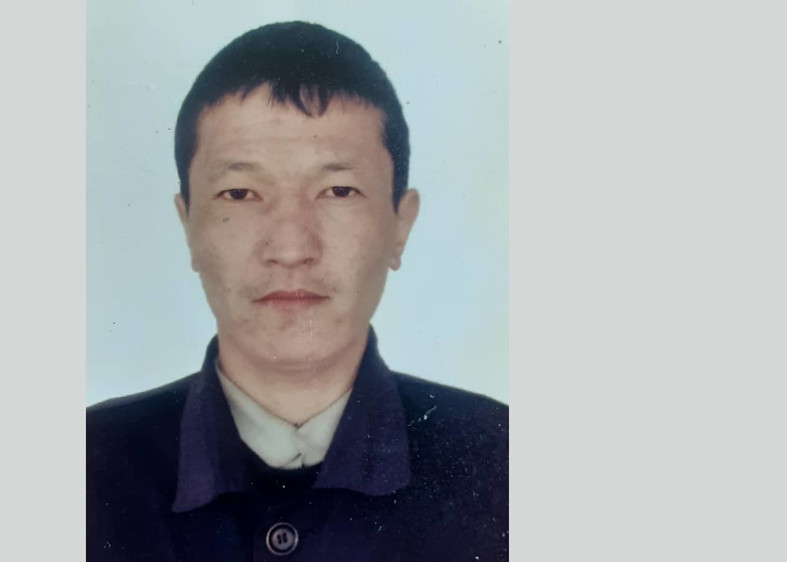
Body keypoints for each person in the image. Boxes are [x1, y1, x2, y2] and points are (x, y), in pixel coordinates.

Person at [87, 21, 508, 561]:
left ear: (399, 226)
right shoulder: (88, 466)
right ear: (188, 225)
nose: (290, 248)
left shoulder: (502, 463)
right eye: (240, 193)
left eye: (338, 190)